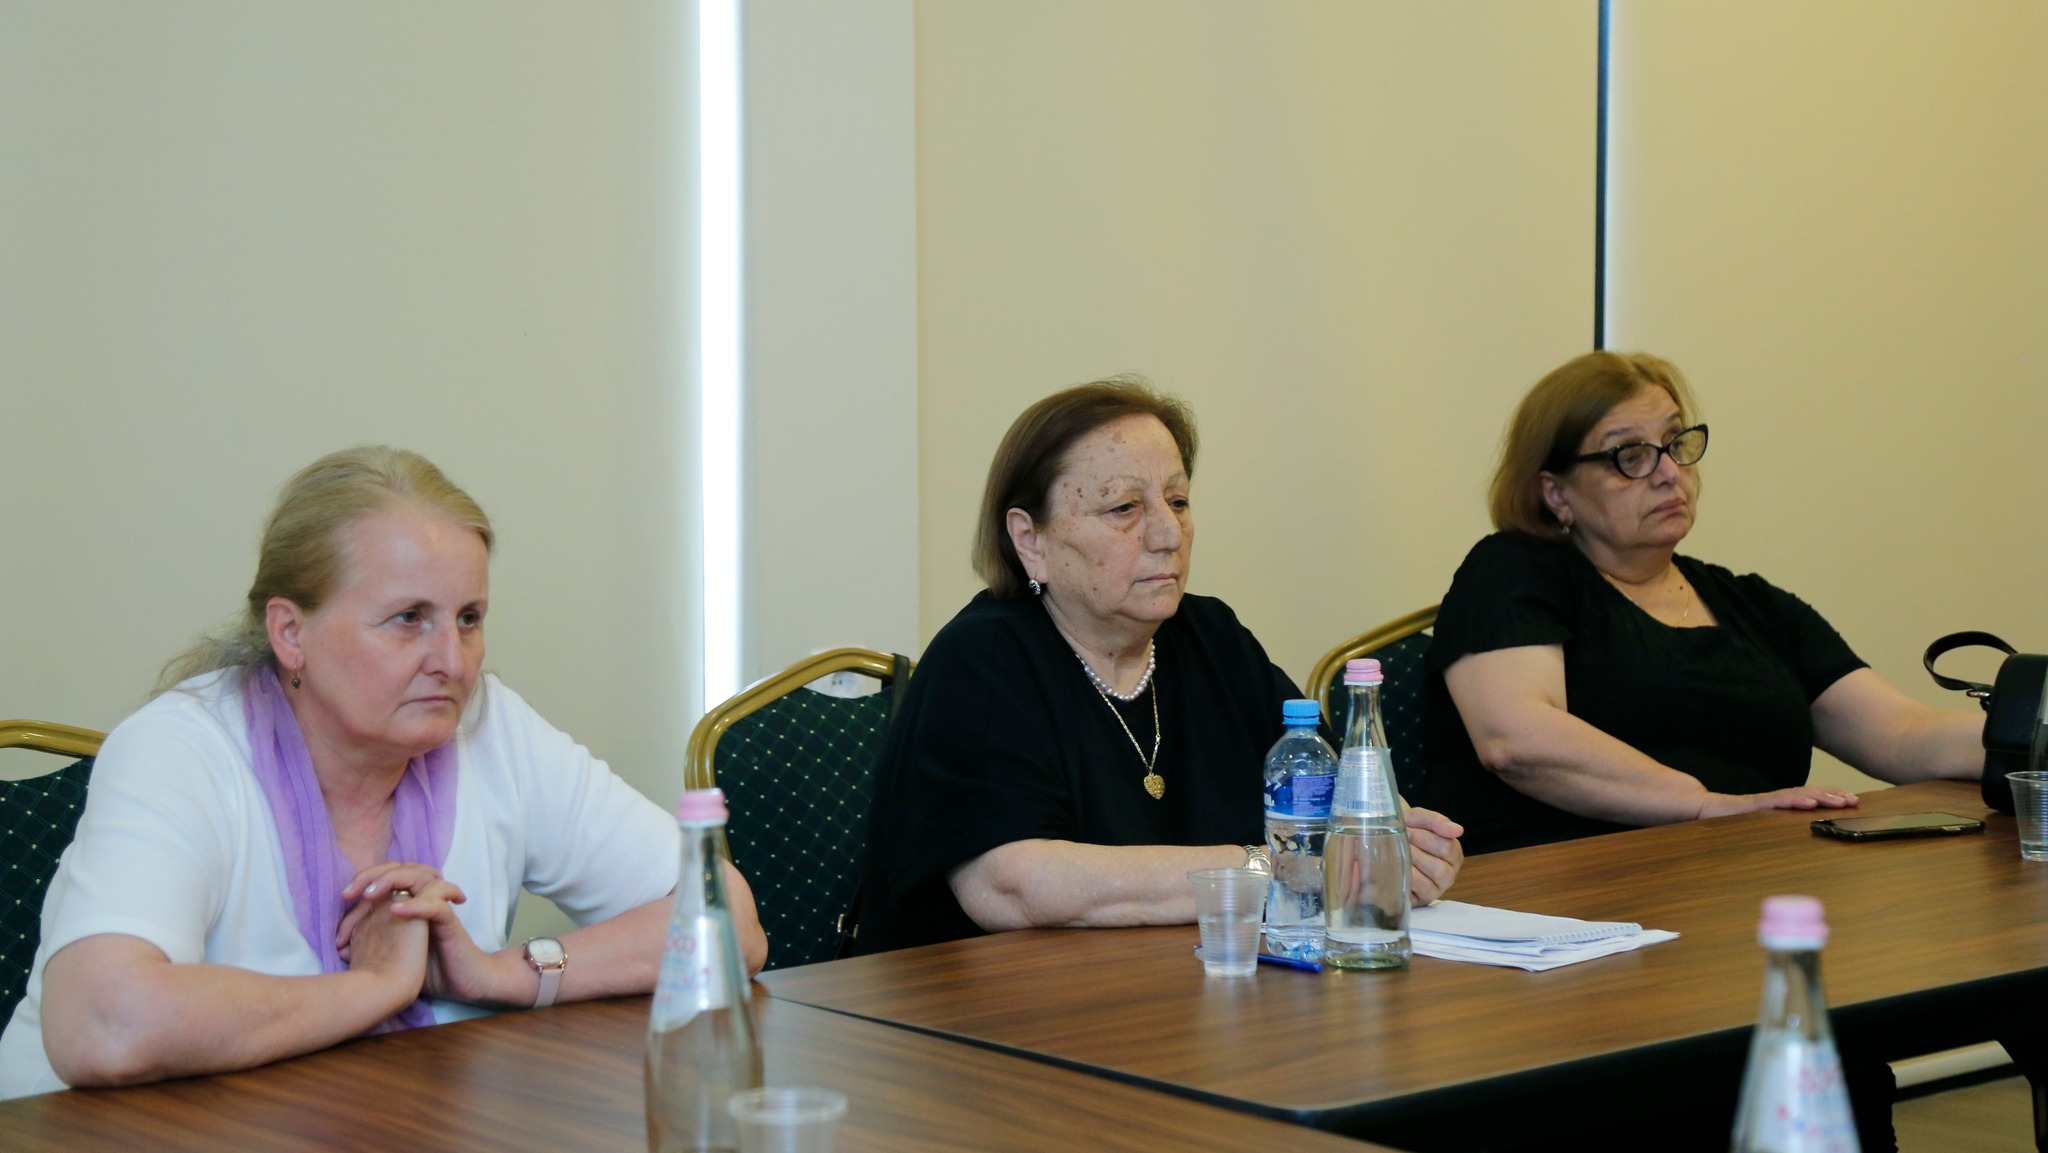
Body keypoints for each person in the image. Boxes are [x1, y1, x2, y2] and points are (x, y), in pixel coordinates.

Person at [0, 447, 768, 1098]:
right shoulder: (180, 747)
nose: (452, 660)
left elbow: (728, 921)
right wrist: (372, 986)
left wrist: (501, 974)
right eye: (409, 618)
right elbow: (104, 1023)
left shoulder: (489, 727)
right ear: (290, 632)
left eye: (468, 618)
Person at [856, 379, 1465, 954]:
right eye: (1124, 507)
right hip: (982, 1010)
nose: (1169, 534)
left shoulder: (1213, 638)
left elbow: (1334, 812)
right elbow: (1016, 885)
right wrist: (1271, 868)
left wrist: (1400, 845)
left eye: (1178, 501)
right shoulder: (983, 660)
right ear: (1029, 540)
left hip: (1194, 983)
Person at [1417, 350, 1983, 857]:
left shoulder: (1753, 604)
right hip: (1548, 894)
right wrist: (1702, 805)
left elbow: (1903, 734)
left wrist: (2021, 734)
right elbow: (1517, 742)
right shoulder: (1513, 570)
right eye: (1629, 455)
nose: (1669, 473)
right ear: (1556, 493)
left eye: (1675, 444)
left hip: (1735, 880)